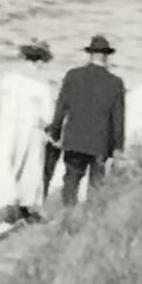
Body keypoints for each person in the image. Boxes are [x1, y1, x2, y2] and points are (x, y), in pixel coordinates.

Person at [0, 43, 61, 221]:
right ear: (40, 61)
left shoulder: (8, 78)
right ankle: (24, 206)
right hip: (29, 128)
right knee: (29, 167)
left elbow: (0, 101)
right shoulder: (40, 84)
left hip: (7, 126)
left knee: (6, 162)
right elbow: (48, 114)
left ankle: (8, 201)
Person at [49, 35, 126, 204]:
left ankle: (68, 214)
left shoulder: (73, 76)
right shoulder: (115, 83)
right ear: (106, 56)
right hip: (101, 142)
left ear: (90, 54)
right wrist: (118, 147)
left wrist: (55, 132)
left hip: (75, 140)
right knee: (97, 184)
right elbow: (118, 118)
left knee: (71, 180)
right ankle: (91, 214)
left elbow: (61, 107)